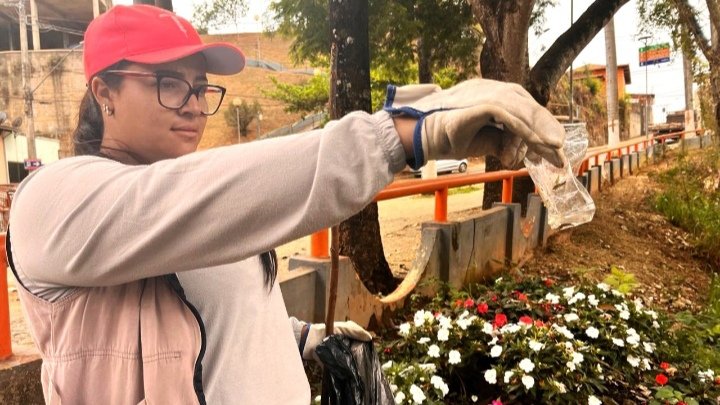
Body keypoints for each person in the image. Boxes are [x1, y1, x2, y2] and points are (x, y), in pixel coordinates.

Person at [6, 4, 565, 405]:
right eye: (169, 84)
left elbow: (225, 309)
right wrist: (400, 135)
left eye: (201, 87)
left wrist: (303, 336)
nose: (194, 106)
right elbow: (176, 202)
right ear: (103, 91)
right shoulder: (52, 204)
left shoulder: (196, 197)